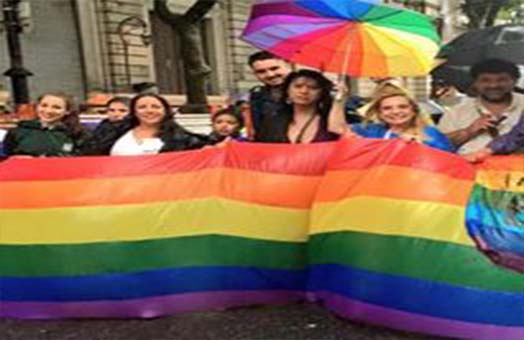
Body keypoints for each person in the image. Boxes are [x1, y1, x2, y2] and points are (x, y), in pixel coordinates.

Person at [328, 82, 454, 151]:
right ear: (380, 114)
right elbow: (336, 128)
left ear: (413, 110)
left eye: (402, 107)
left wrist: (421, 149)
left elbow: (449, 163)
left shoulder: (431, 134)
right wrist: (340, 100)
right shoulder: (371, 131)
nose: (395, 112)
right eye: (387, 108)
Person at [438, 59, 524, 155]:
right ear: (475, 83)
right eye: (485, 80)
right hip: (468, 167)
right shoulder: (456, 112)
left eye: (501, 80)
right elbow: (437, 148)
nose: (493, 85)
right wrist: (468, 131)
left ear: (515, 81)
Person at [81, 93, 209, 156]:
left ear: (165, 111)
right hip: (117, 192)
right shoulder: (112, 131)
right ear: (134, 112)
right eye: (142, 107)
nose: (149, 111)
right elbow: (89, 155)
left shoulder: (181, 138)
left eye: (156, 107)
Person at [256, 69, 339, 144]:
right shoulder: (272, 120)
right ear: (287, 90)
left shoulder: (330, 120)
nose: (304, 91)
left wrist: (340, 101)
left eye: (313, 87)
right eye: (298, 86)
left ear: (322, 92)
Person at [3, 93, 88, 157]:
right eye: (44, 106)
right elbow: (5, 157)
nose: (48, 111)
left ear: (67, 111)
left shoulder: (78, 133)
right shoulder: (18, 131)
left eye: (56, 107)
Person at [248, 51, 291, 139]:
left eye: (274, 68)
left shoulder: (309, 91)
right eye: (261, 71)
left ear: (288, 65)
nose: (270, 74)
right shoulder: (257, 95)